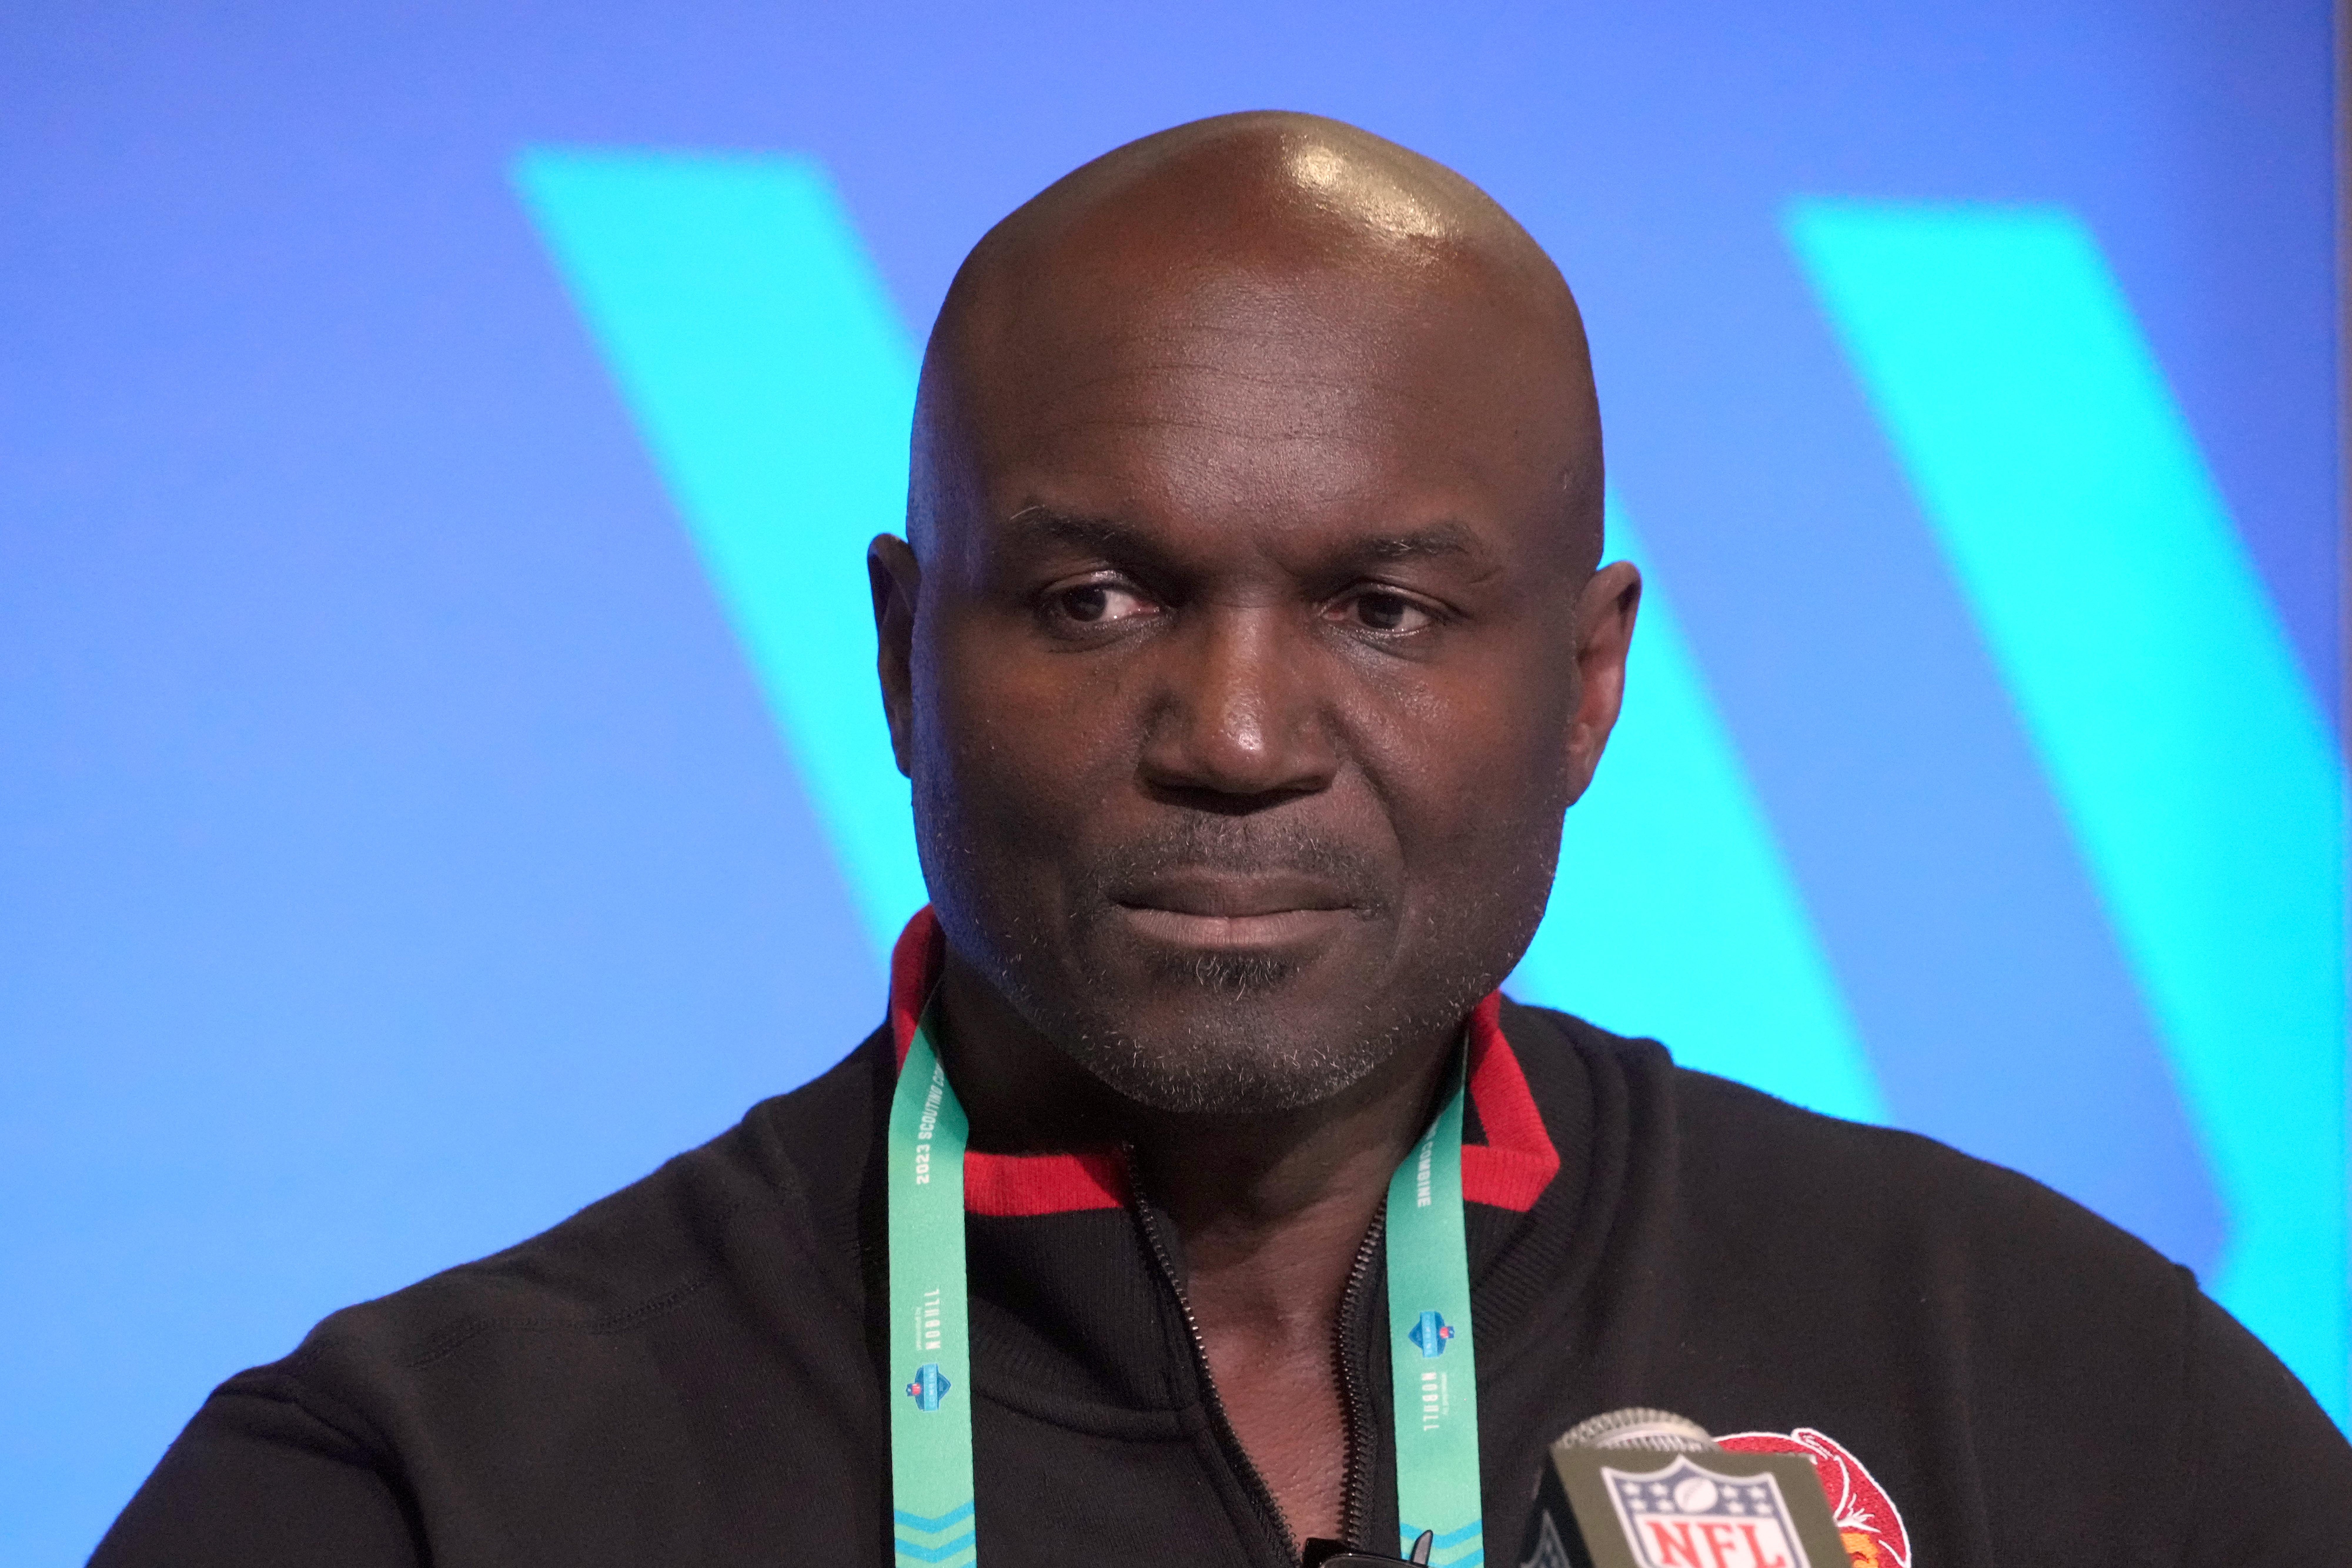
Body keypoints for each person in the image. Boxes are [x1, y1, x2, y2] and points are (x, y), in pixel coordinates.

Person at [93, 111, 2350, 1568]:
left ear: (1584, 685)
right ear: (902, 652)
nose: (1240, 731)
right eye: (1094, 598)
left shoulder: (2064, 1400)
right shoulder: (415, 1497)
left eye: (1383, 608)